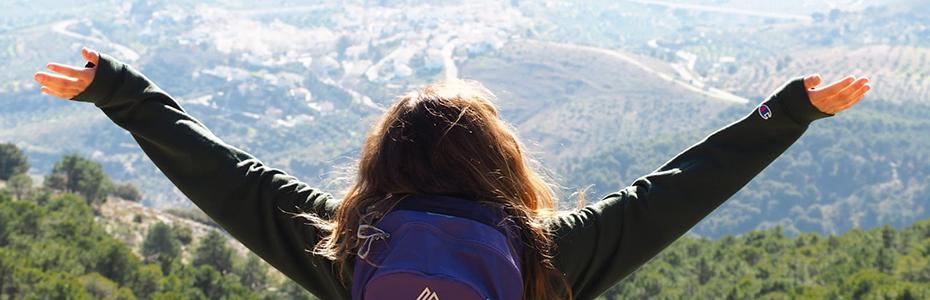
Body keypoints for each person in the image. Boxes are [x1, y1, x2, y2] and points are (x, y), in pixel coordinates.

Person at [34, 48, 870, 299]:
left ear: (381, 157)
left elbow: (224, 175)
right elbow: (683, 184)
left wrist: (121, 93)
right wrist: (788, 111)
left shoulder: (350, 246)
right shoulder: (546, 253)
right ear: (502, 160)